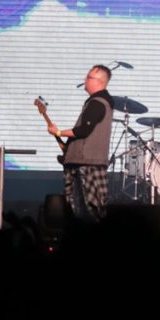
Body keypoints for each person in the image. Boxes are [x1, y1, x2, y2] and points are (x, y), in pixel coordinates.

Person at [47, 65, 113, 222]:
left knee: (86, 211)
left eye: (89, 77)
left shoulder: (97, 103)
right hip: (85, 162)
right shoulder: (97, 102)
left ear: (99, 81)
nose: (85, 79)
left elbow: (83, 130)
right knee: (83, 211)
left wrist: (59, 132)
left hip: (87, 164)